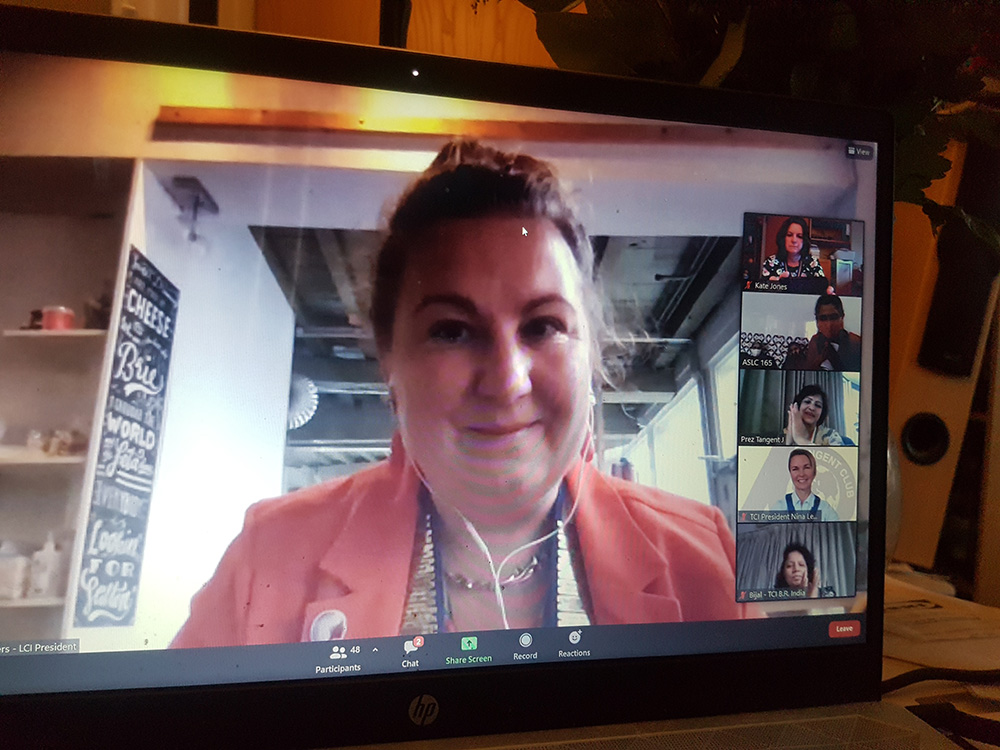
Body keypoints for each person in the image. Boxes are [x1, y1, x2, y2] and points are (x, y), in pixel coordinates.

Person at [171, 140, 754, 648]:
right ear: (390, 362)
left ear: (591, 355)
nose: (506, 381)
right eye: (451, 331)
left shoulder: (709, 563)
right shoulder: (265, 560)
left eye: (543, 326)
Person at [784, 294, 861, 371]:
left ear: (842, 317)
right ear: (817, 321)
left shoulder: (855, 342)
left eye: (833, 317)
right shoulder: (815, 341)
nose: (829, 324)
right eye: (823, 318)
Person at [759, 216, 829, 291]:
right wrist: (775, 286)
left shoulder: (813, 263)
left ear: (804, 240)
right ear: (783, 238)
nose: (794, 240)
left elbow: (822, 289)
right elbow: (760, 291)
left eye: (799, 236)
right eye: (789, 235)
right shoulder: (770, 262)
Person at [769, 449, 839, 520]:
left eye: (806, 468)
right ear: (790, 473)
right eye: (795, 469)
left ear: (814, 472)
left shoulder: (827, 511)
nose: (801, 474)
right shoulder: (778, 508)